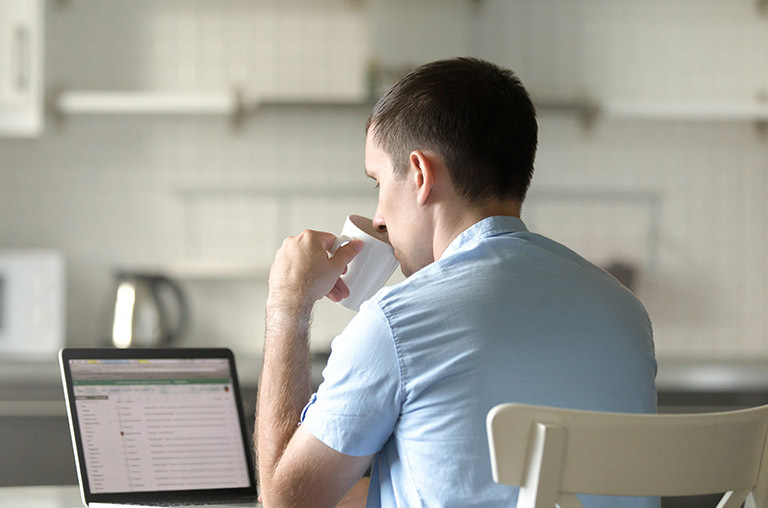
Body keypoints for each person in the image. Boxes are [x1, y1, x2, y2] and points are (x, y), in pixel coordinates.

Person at [256, 57, 658, 508]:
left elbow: (284, 502)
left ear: (421, 175)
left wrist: (287, 307)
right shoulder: (626, 313)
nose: (380, 219)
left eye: (378, 184)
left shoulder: (396, 325)